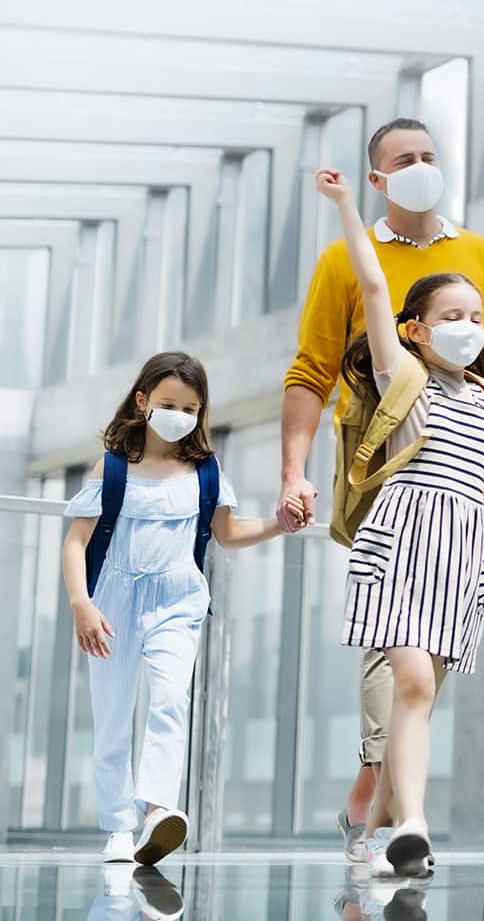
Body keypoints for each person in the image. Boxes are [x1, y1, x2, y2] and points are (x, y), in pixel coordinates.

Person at [278, 118, 484, 860]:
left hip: (462, 548)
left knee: (422, 694)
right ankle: (410, 825)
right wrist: (340, 209)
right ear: (415, 331)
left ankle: (377, 832)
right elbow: (360, 302)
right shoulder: (401, 371)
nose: (467, 327)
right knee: (408, 684)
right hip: (399, 531)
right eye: (450, 318)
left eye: (474, 317)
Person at [62, 351, 287, 865]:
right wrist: (81, 604)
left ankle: (156, 812)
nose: (179, 415)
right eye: (168, 403)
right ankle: (118, 827)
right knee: (114, 714)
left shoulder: (206, 471)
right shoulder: (113, 467)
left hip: (177, 603)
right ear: (142, 402)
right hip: (111, 607)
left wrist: (279, 523)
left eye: (190, 407)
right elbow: (77, 542)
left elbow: (228, 535)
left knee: (168, 700)